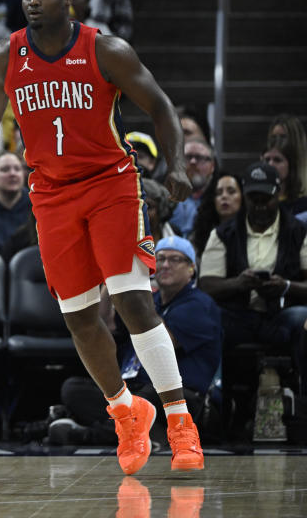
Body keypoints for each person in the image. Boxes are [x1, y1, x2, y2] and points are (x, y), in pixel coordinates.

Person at [0, 0, 204, 476]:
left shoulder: (105, 49)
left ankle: (181, 423)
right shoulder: (5, 54)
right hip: (49, 194)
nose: (32, 1)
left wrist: (177, 163)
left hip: (111, 185)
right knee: (77, 317)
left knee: (133, 300)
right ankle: (124, 411)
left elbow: (160, 106)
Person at [51, 237, 220, 447]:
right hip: (133, 385)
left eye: (175, 260)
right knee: (74, 388)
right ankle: (146, 433)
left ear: (192, 269)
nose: (165, 265)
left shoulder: (199, 304)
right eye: (159, 259)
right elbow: (103, 323)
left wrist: (140, 303)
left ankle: (89, 434)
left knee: (145, 397)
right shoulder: (151, 300)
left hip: (177, 393)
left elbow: (161, 343)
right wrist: (110, 279)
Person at [198, 162, 307, 392]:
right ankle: (213, 397)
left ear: (277, 195)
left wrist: (285, 285)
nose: (259, 206)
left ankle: (302, 397)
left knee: (302, 317)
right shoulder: (223, 233)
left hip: (282, 315)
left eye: (265, 199)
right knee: (207, 317)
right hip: (238, 316)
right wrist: (239, 283)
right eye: (253, 199)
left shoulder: (298, 231)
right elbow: (206, 285)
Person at [190, 171, 244, 261]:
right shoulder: (199, 235)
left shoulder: (250, 232)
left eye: (231, 192)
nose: (224, 196)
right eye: (218, 193)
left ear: (243, 197)